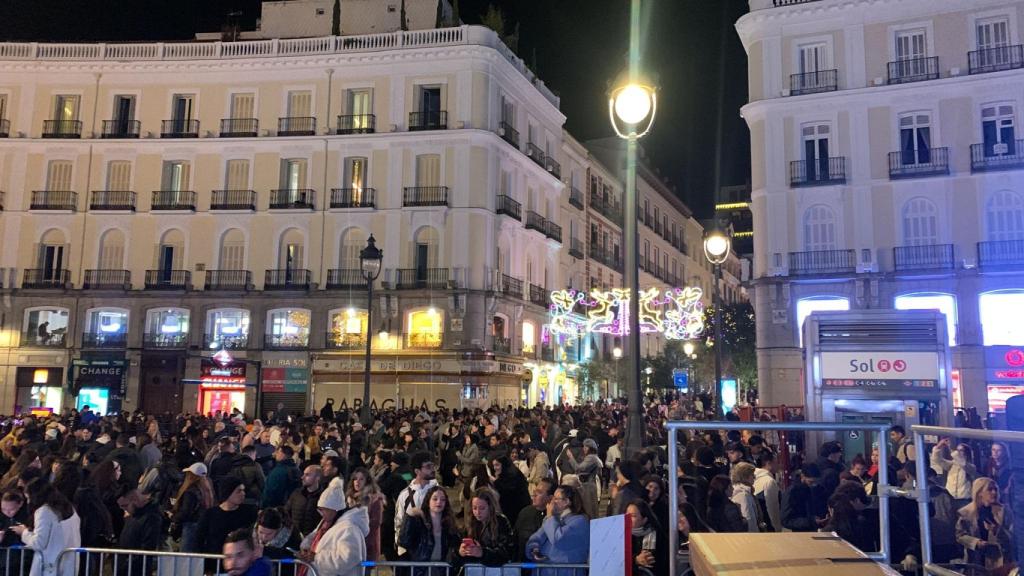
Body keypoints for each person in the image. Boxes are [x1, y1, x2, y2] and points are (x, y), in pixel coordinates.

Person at [298, 477, 369, 576]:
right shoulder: (326, 525)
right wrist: (307, 548)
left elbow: (348, 558)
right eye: (320, 510)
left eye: (323, 510)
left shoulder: (349, 529)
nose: (320, 513)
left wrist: (317, 558)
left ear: (334, 509)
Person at [12, 478, 81, 576]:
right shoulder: (69, 508)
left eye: (29, 498)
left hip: (50, 567)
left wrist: (24, 532)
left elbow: (39, 543)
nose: (28, 502)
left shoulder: (44, 511)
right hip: (69, 565)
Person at [525, 484, 590, 576]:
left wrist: (550, 517)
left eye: (556, 498)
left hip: (566, 572)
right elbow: (537, 537)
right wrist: (534, 549)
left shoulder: (580, 521)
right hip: (545, 571)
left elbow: (558, 538)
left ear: (566, 501)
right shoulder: (554, 519)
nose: (552, 502)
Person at [398, 485, 460, 575]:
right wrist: (409, 516)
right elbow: (403, 541)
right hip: (420, 571)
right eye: (435, 499)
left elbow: (455, 548)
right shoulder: (418, 522)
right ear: (428, 501)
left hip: (442, 571)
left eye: (443, 500)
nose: (439, 502)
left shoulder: (449, 526)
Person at [956, 477, 1015, 572]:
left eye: (995, 489)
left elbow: (1013, 536)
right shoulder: (966, 512)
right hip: (976, 560)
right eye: (990, 489)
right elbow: (960, 536)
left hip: (998, 561)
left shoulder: (1004, 512)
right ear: (979, 493)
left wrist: (997, 531)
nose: (994, 493)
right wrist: (976, 542)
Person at [195, 478, 258, 555]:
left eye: (243, 490)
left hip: (239, 559)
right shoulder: (210, 514)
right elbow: (199, 539)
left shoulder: (249, 512)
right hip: (214, 560)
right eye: (238, 491)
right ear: (228, 493)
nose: (243, 494)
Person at [457, 488, 516, 567]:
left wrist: (482, 553)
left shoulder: (501, 522)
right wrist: (461, 552)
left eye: (482, 508)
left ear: (490, 507)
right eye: (474, 508)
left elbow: (506, 552)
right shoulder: (470, 523)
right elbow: (457, 551)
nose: (478, 512)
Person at [394, 451, 438, 557]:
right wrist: (401, 550)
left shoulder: (438, 492)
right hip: (410, 551)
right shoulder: (405, 495)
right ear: (417, 471)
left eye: (433, 465)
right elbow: (399, 522)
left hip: (433, 549)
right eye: (428, 466)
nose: (433, 469)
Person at [116, 485, 164, 573]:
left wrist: (127, 566)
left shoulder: (152, 518)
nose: (124, 510)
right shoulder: (134, 515)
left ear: (134, 499)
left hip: (136, 568)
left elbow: (147, 547)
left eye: (125, 506)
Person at [171, 462, 214, 552]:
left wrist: (174, 517)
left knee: (186, 558)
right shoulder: (207, 490)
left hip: (190, 528)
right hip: (201, 526)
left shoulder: (191, 492)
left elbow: (186, 512)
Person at [346, 467, 384, 562]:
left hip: (367, 546)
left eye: (361, 479)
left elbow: (376, 522)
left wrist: (357, 525)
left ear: (367, 481)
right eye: (355, 479)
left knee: (366, 570)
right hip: (350, 545)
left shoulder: (374, 499)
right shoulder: (348, 499)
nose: (357, 482)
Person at [626, 499, 669, 576]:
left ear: (644, 520)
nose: (628, 518)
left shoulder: (658, 536)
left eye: (633, 516)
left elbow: (663, 564)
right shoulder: (621, 535)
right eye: (626, 515)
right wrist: (635, 560)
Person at [931, 438, 978, 507]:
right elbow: (937, 460)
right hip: (950, 499)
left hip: (964, 501)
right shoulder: (952, 465)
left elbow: (962, 463)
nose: (958, 452)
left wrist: (951, 448)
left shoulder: (971, 467)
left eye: (961, 450)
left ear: (967, 453)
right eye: (957, 450)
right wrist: (938, 446)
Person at [516, 478, 555, 559]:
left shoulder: (556, 517)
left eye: (539, 492)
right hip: (524, 562)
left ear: (550, 498)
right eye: (535, 491)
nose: (534, 495)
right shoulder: (525, 512)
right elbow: (516, 538)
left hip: (545, 563)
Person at [781, 463, 826, 532]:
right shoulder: (792, 492)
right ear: (802, 476)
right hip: (800, 533)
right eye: (811, 482)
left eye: (816, 482)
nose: (814, 485)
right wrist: (810, 521)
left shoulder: (817, 488)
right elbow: (786, 520)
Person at [287, 465, 325, 537]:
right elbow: (286, 512)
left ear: (317, 478)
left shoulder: (323, 497)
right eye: (303, 474)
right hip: (295, 537)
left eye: (307, 475)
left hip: (313, 538)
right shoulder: (296, 494)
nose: (302, 477)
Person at [491, 455, 531, 523]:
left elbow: (506, 490)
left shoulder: (512, 475)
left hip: (517, 510)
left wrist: (495, 482)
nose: (495, 468)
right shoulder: (507, 472)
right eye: (494, 465)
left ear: (504, 464)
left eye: (497, 465)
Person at [753, 451, 781, 532]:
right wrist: (776, 527)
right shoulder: (769, 481)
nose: (778, 465)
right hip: (768, 526)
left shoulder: (754, 477)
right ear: (769, 463)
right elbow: (772, 507)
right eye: (776, 462)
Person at [730, 462, 762, 532]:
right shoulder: (743, 495)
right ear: (745, 476)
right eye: (752, 474)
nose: (754, 477)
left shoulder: (743, 492)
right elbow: (749, 519)